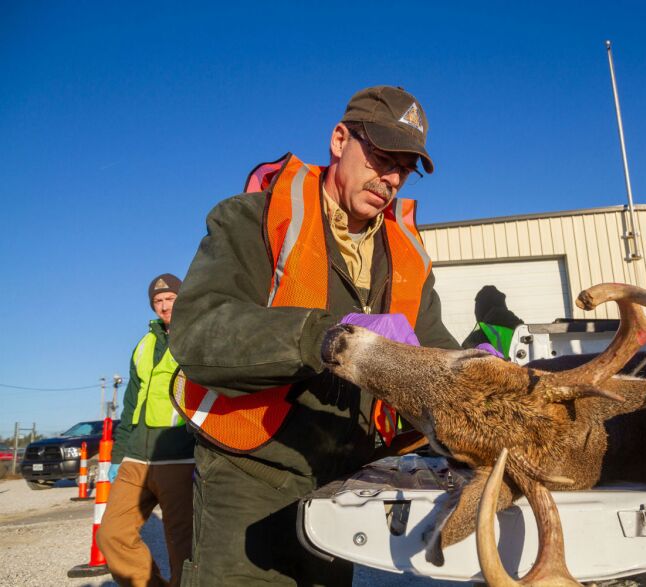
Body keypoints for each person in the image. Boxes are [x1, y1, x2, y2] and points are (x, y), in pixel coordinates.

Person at [168, 86, 460, 586]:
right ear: (339, 139)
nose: (391, 178)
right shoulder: (251, 218)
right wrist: (327, 340)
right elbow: (199, 331)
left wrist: (477, 374)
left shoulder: (409, 256)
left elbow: (435, 351)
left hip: (343, 484)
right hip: (252, 476)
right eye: (382, 157)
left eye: (404, 168)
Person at [97, 273, 195, 587]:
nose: (164, 306)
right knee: (111, 534)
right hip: (136, 459)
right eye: (158, 301)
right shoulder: (143, 345)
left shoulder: (197, 337)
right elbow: (130, 404)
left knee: (183, 546)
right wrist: (119, 456)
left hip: (179, 457)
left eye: (170, 299)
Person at [461, 285, 524, 359]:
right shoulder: (521, 329)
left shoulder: (478, 335)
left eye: (477, 307)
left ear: (480, 309)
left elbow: (462, 356)